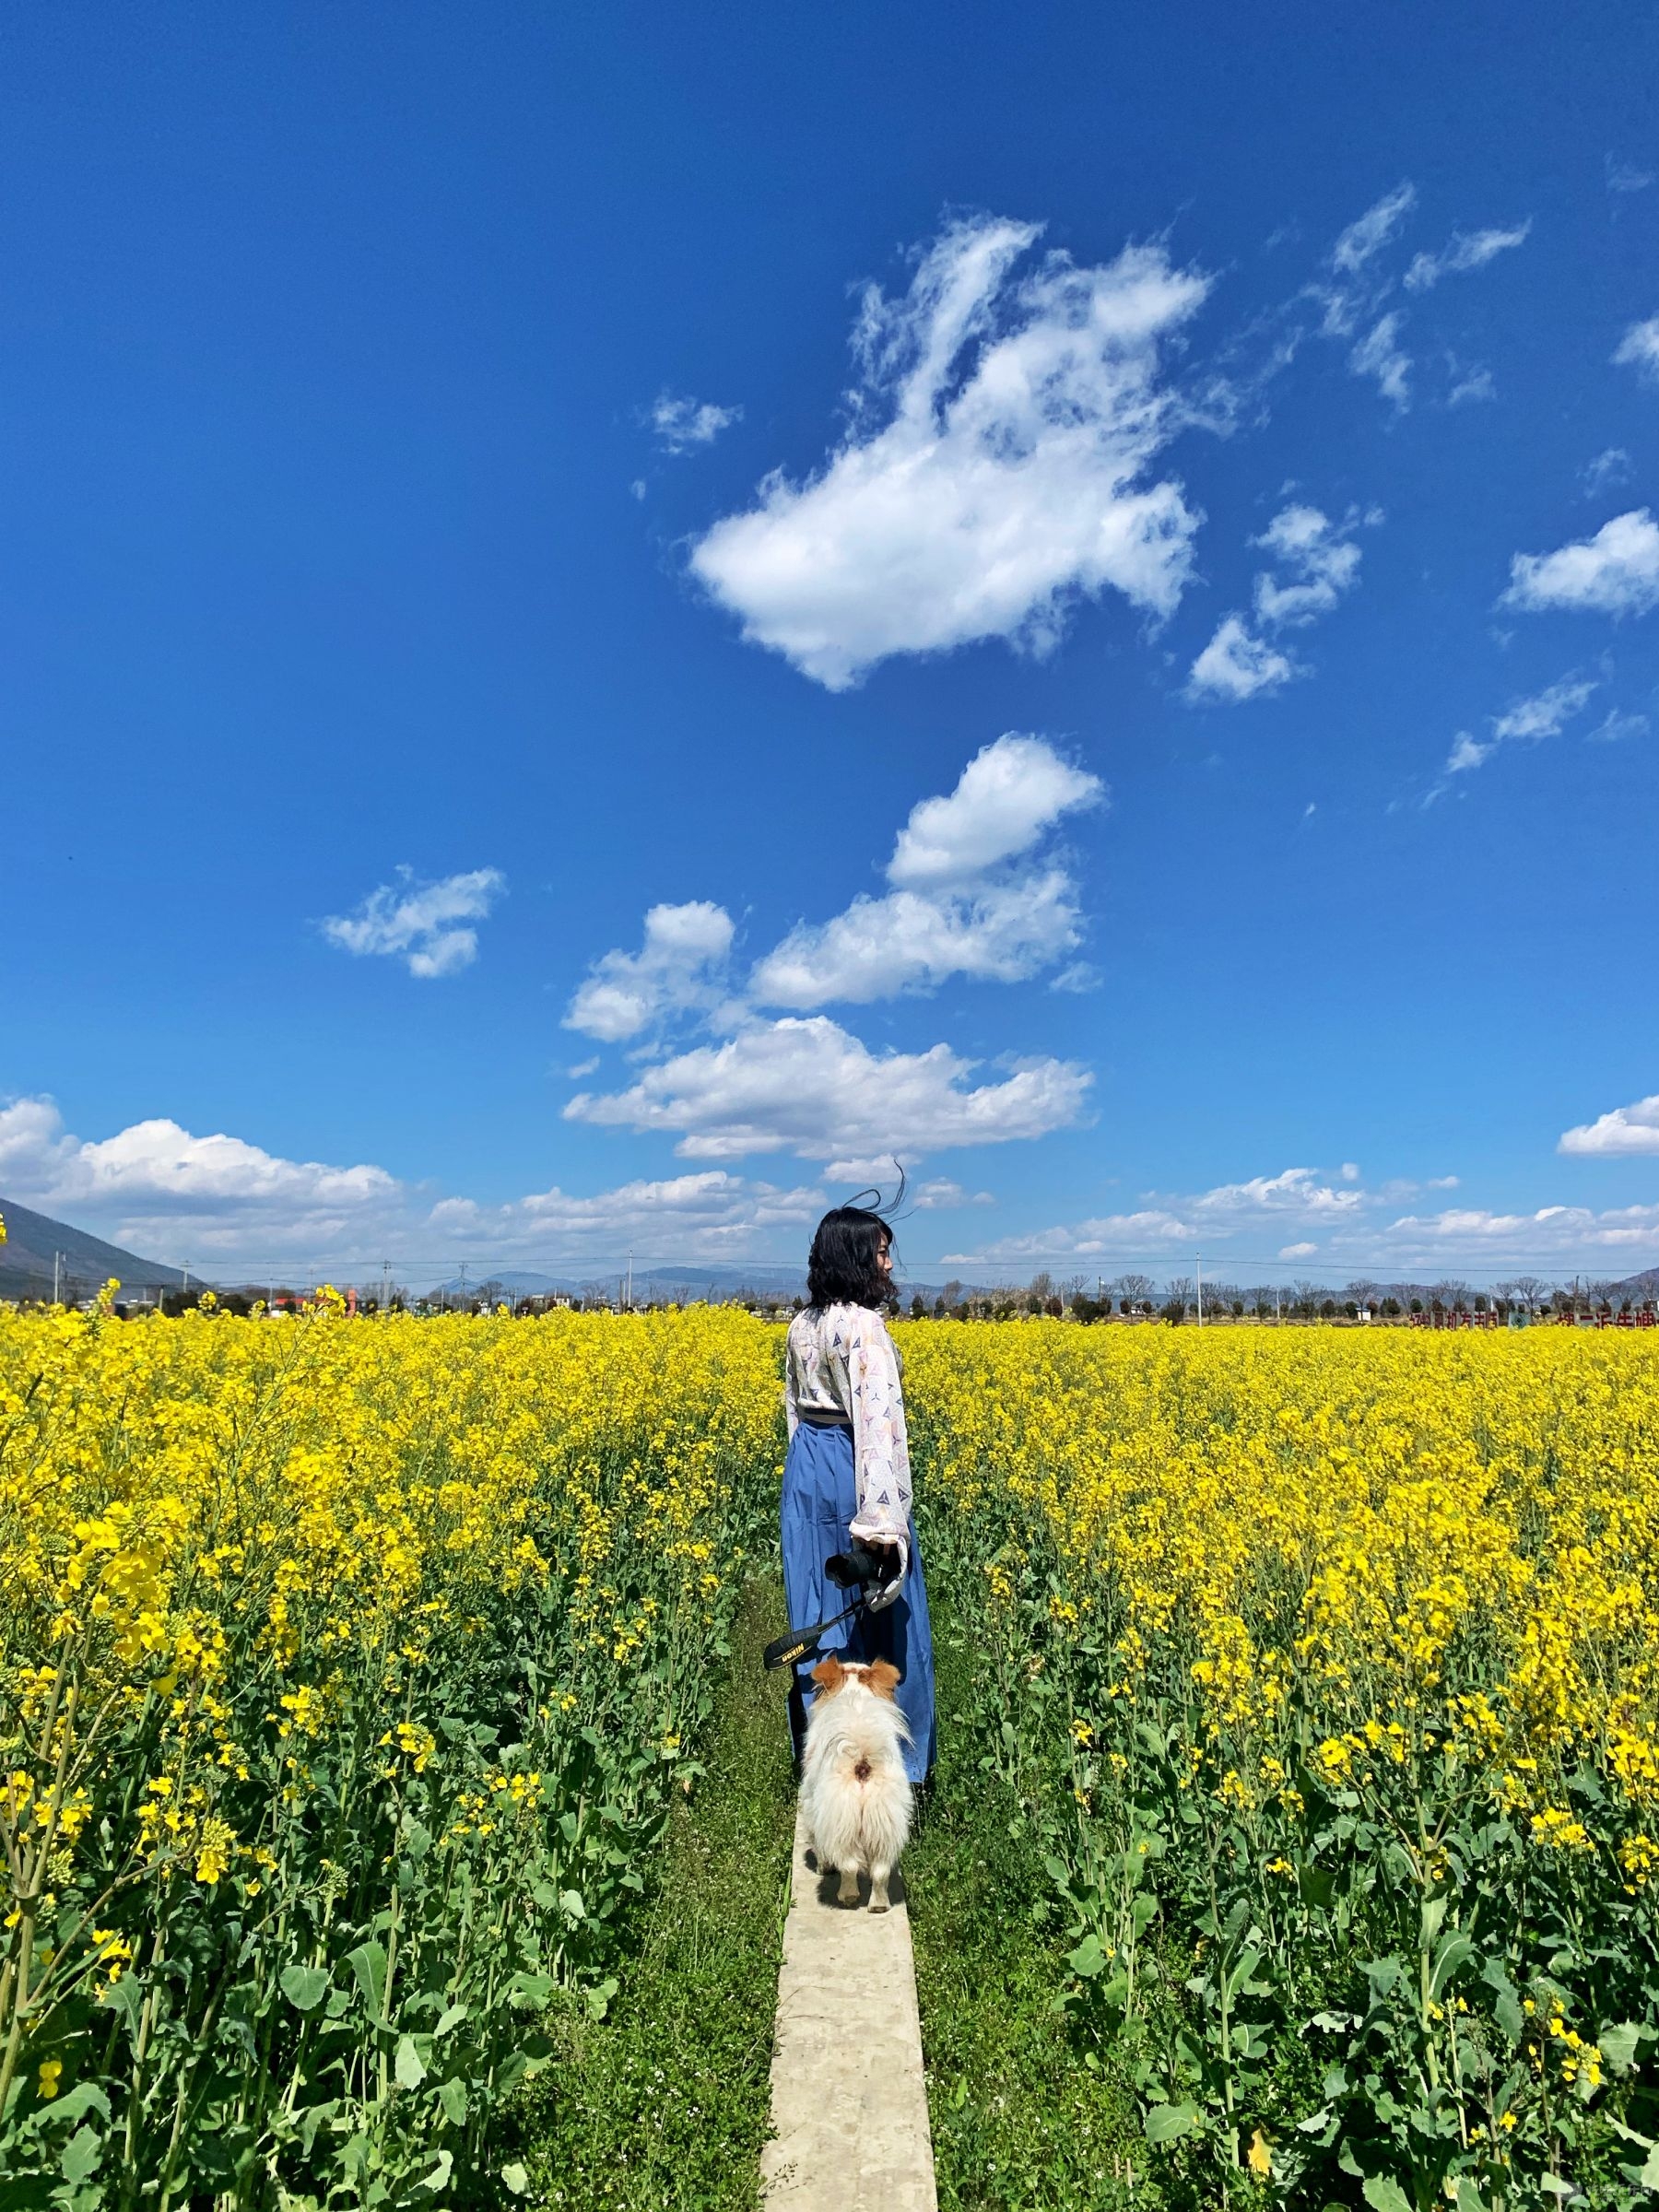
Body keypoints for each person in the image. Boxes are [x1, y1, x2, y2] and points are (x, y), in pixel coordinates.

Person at [781, 1199, 935, 1786]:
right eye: (881, 1251)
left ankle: (827, 1766)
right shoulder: (865, 1327)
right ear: (855, 1257)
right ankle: (897, 1772)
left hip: (807, 1472)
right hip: (852, 1467)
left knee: (819, 1611)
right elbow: (876, 1425)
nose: (889, 1264)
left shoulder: (802, 1324)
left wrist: (807, 1480)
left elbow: (795, 1412)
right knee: (884, 1619)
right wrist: (880, 1524)